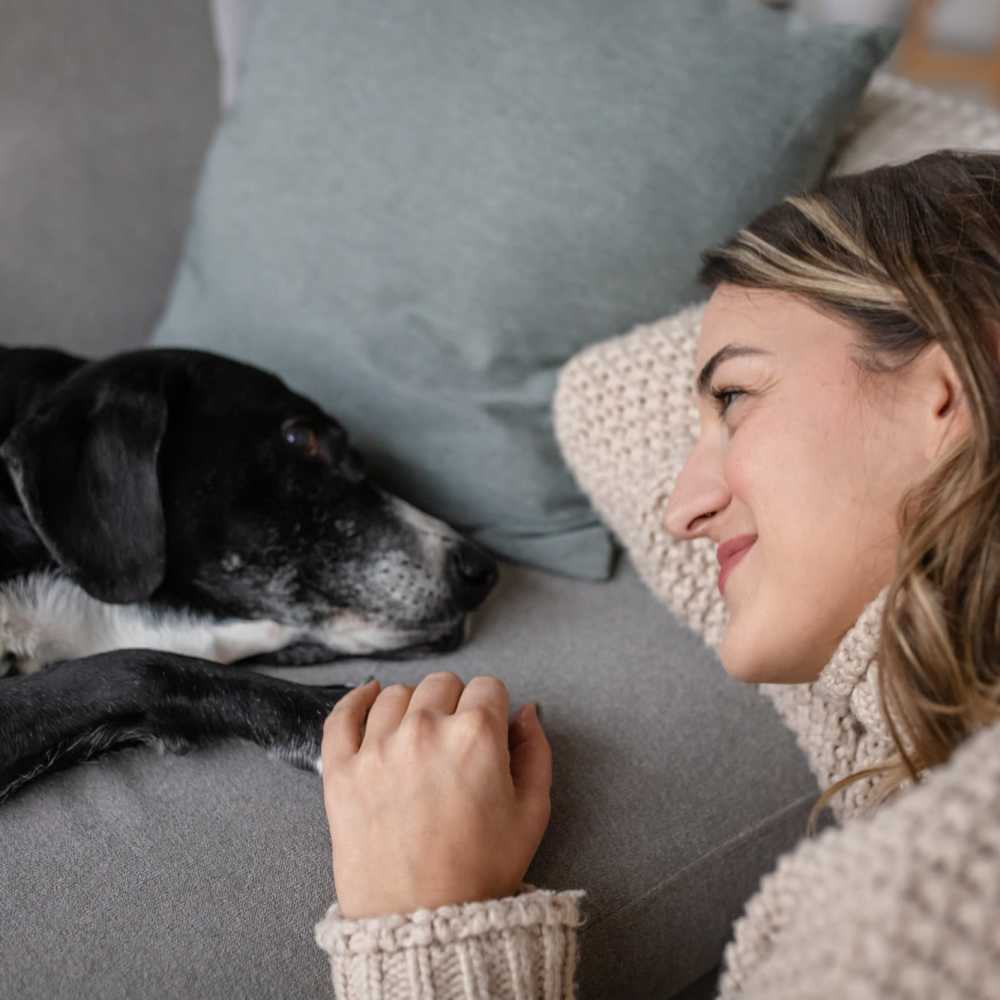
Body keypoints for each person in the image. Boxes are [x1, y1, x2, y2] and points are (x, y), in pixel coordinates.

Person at [312, 149, 1000, 998]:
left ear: (948, 388)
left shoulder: (930, 901)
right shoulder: (916, 731)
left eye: (736, 399)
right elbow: (604, 397)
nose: (682, 510)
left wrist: (424, 932)